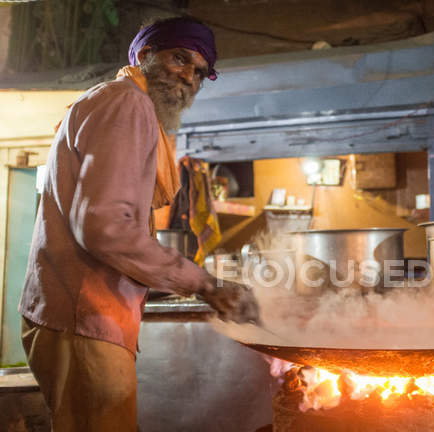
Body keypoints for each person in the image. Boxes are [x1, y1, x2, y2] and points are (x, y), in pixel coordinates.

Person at [18, 16, 259, 431]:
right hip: (83, 318)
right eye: (179, 59)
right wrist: (205, 283)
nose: (188, 77)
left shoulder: (119, 104)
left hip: (80, 319)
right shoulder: (127, 103)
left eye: (199, 71)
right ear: (145, 55)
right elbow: (106, 226)